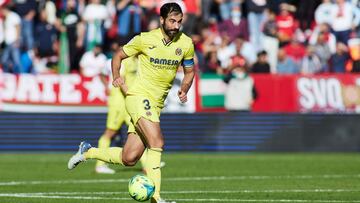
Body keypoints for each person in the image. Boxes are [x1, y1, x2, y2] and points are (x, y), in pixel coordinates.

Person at [68, 3, 195, 203]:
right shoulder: (145, 39)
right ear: (161, 20)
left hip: (156, 104)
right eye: (172, 21)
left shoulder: (186, 44)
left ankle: (88, 151)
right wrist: (117, 76)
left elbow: (189, 71)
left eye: (179, 21)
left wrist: (184, 89)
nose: (176, 26)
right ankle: (157, 198)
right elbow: (118, 55)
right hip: (138, 97)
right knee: (157, 142)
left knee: (129, 158)